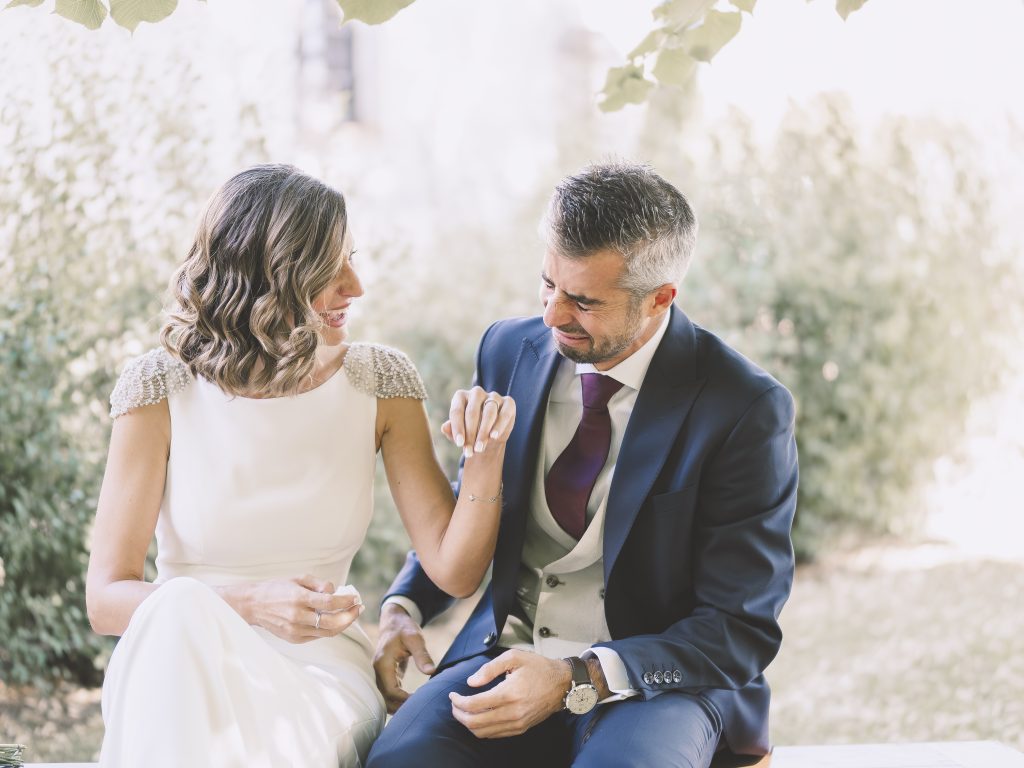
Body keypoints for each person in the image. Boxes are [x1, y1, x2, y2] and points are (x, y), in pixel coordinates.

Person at [367, 162, 799, 768]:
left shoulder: (743, 407)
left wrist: (580, 675)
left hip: (660, 685)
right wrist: (403, 606)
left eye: (583, 301)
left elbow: (740, 625)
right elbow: (476, 499)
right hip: (507, 655)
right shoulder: (506, 349)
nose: (552, 316)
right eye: (548, 285)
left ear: (660, 299)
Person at [85, 164, 515, 768]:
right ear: (267, 275)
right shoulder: (159, 388)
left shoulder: (379, 383)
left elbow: (455, 571)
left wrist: (486, 456)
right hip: (179, 659)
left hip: (319, 670)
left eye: (353, 259)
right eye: (329, 268)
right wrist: (251, 603)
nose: (356, 285)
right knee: (179, 617)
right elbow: (106, 600)